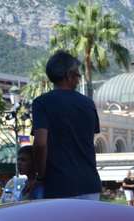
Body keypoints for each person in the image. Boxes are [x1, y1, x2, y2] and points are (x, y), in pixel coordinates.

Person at [31, 51, 102, 200]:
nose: (78, 79)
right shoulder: (88, 104)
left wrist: (40, 176)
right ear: (68, 75)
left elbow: (40, 143)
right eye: (77, 75)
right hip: (90, 184)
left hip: (58, 185)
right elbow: (90, 139)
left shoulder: (42, 103)